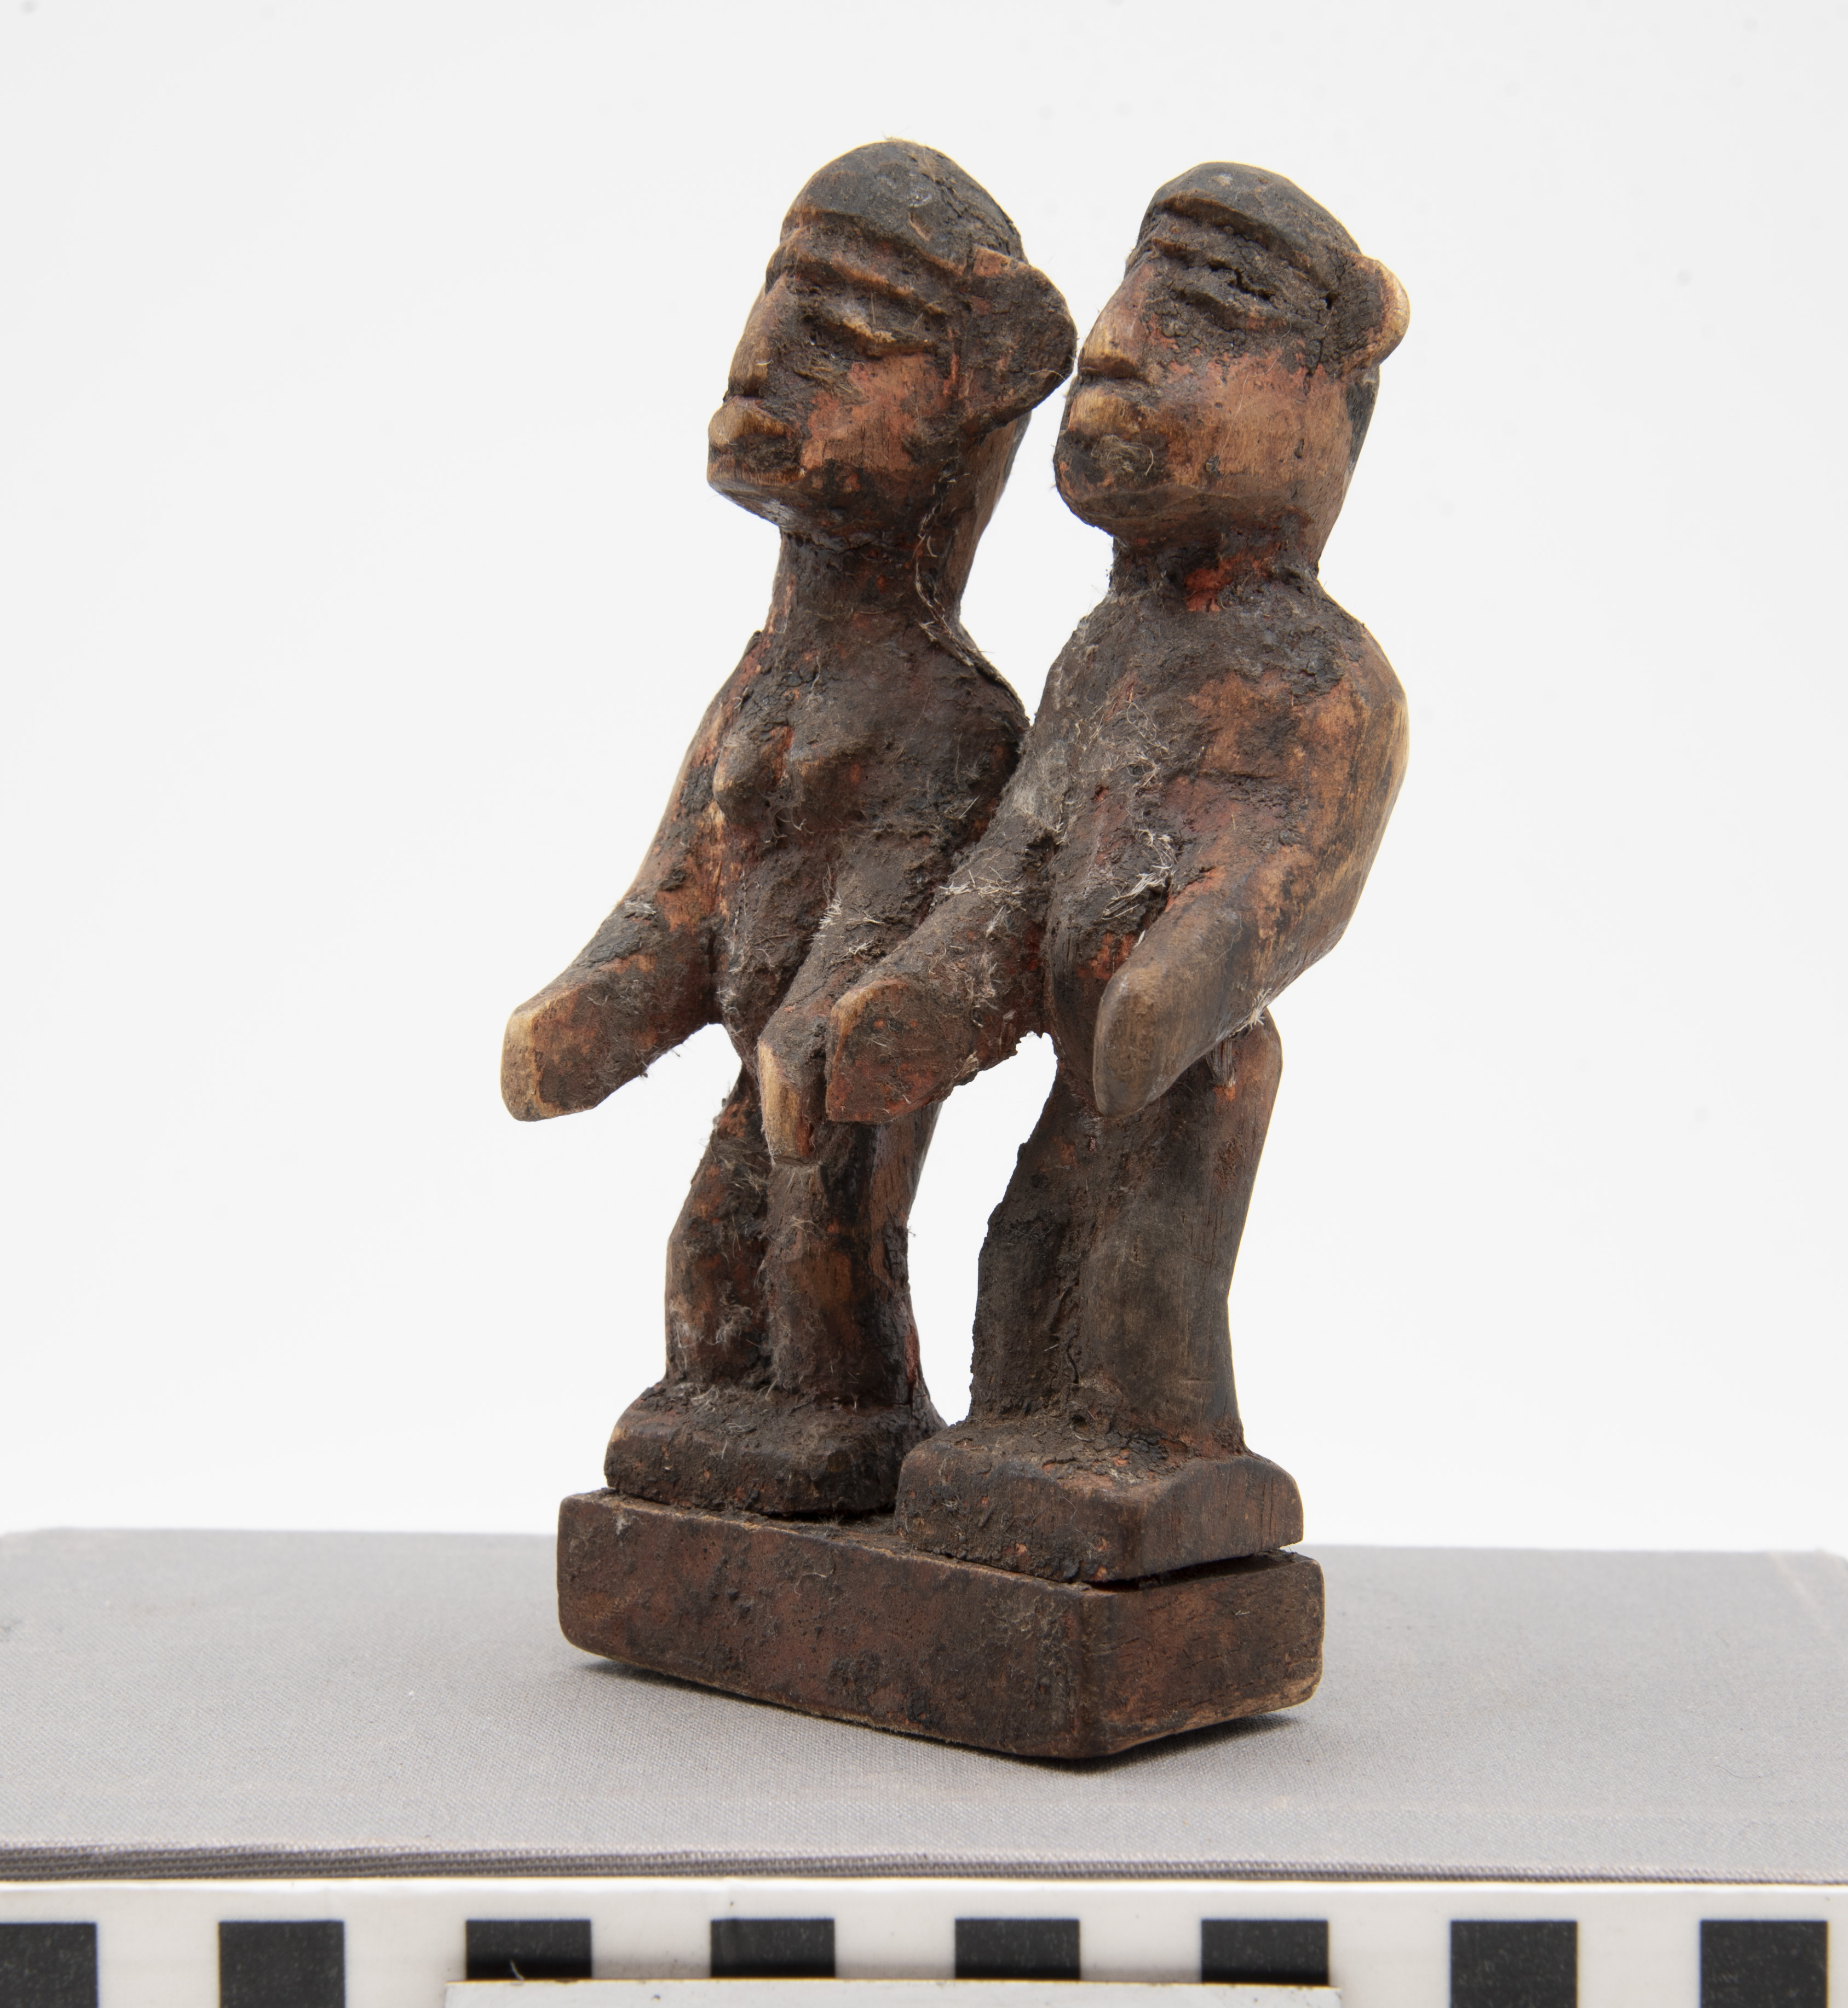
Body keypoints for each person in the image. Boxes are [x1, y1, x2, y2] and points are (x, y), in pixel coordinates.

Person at [796, 163, 1412, 1582]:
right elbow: (1018, 858)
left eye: (1202, 315)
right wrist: (925, 992)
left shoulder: (1325, 678)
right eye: (1134, 300)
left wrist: (1190, 967)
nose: (1119, 344)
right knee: (1024, 1249)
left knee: (1144, 1275)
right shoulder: (1100, 657)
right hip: (1085, 1074)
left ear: (1332, 398)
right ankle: (1020, 1440)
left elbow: (1290, 872)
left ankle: (1167, 1455)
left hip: (1190, 1072)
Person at [501, 142, 1075, 1516]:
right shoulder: (760, 684)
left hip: (831, 1094)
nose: (761, 357)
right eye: (775, 304)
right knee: (707, 1257)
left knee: (824, 1232)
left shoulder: (949, 713)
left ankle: (850, 1413)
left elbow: (891, 921)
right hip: (760, 1083)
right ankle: (744, 1419)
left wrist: (816, 1030)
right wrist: (590, 1007)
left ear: (971, 391)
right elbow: (682, 889)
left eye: (837, 336)